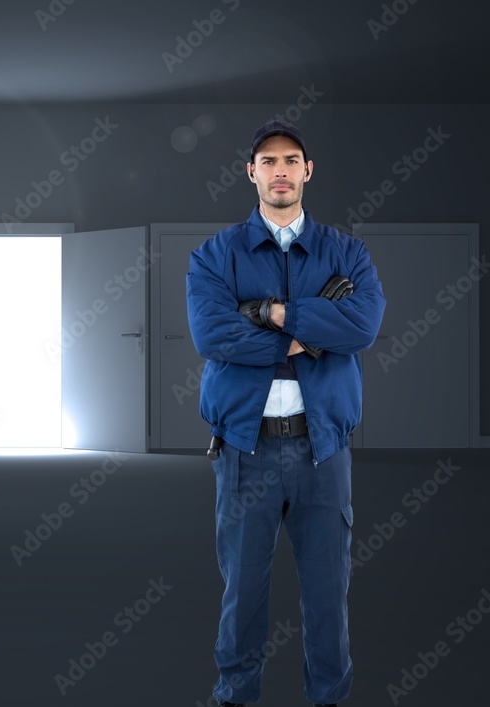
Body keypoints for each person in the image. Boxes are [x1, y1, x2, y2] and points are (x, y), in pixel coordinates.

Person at [185, 119, 386, 706]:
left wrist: (270, 313)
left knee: (328, 591)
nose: (279, 171)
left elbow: (364, 325)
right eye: (267, 161)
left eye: (290, 160)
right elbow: (212, 335)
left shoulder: (347, 252)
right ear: (252, 172)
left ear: (307, 171)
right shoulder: (214, 256)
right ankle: (235, 696)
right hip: (245, 450)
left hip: (323, 449)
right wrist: (313, 332)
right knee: (243, 591)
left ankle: (329, 696)